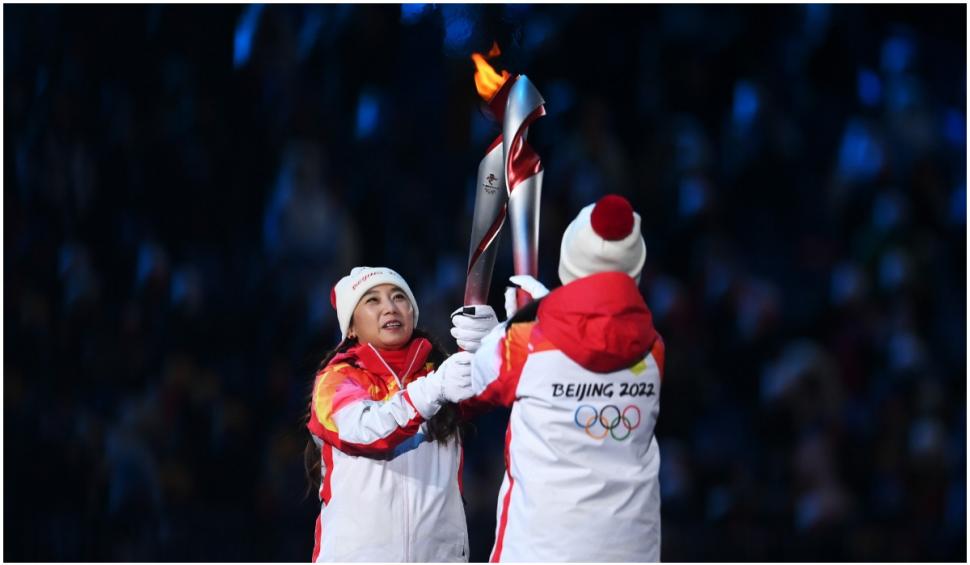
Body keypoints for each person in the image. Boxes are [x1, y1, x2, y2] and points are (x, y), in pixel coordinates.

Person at [451, 194, 665, 562]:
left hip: (542, 548)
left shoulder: (525, 340)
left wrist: (494, 333)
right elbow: (596, 328)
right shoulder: (654, 350)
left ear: (571, 260)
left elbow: (464, 392)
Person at [305, 266, 474, 562]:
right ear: (352, 327)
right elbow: (364, 431)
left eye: (399, 297)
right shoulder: (336, 381)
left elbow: (503, 390)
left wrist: (491, 346)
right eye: (372, 301)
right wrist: (432, 390)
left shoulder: (442, 374)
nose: (390, 307)